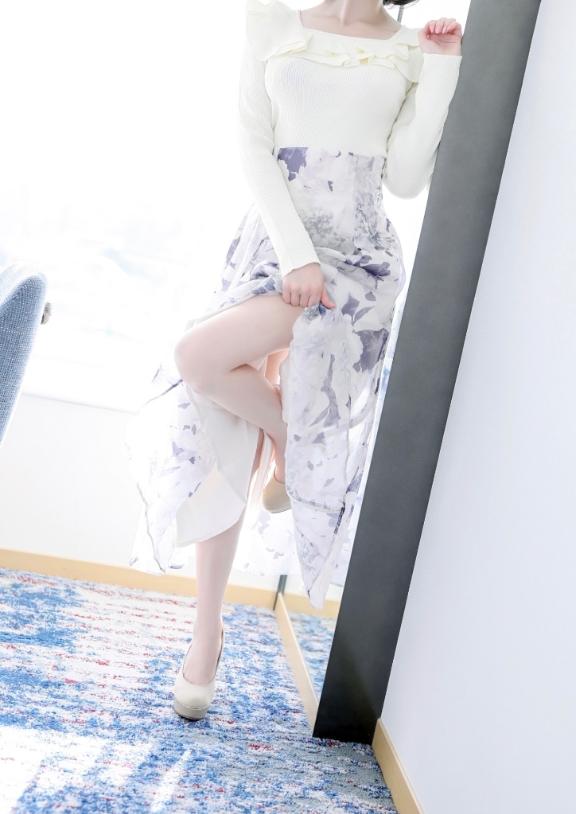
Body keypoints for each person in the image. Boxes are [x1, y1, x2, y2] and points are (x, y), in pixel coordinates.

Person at [125, 0, 463, 720]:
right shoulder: (273, 22)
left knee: (201, 359)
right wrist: (295, 256)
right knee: (223, 414)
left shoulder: (408, 47)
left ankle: (286, 441)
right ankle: (207, 630)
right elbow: (254, 149)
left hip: (357, 262)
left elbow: (405, 180)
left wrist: (440, 69)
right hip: (274, 249)